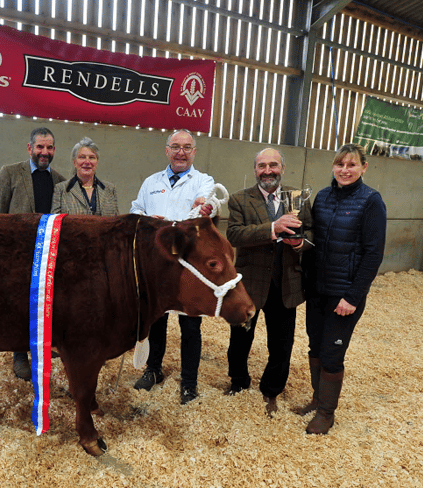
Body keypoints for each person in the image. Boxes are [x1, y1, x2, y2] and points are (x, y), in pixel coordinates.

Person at [295, 143, 386, 434]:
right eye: (340, 165)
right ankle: (316, 398)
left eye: (351, 165)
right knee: (314, 346)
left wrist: (353, 296)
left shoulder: (371, 201)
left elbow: (373, 253)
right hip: (318, 290)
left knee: (333, 354)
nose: (345, 171)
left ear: (364, 167)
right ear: (333, 166)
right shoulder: (322, 197)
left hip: (344, 293)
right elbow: (313, 241)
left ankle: (326, 413)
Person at [225, 148, 313, 416]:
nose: (268, 170)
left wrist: (299, 243)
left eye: (273, 165)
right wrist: (273, 228)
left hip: (286, 284)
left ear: (282, 168)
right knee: (240, 339)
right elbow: (234, 235)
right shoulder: (240, 199)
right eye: (262, 166)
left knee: (281, 343)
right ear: (255, 170)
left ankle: (271, 390)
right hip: (250, 283)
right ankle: (238, 382)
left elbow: (311, 233)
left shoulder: (297, 198)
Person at [130, 129, 214, 405]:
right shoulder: (150, 182)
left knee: (190, 324)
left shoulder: (204, 181)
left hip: (188, 264)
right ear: (166, 151)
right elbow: (134, 211)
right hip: (156, 262)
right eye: (175, 147)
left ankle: (189, 383)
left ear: (194, 152)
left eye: (187, 147)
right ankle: (153, 370)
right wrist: (146, 220)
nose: (181, 152)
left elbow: (209, 205)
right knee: (156, 320)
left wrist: (205, 207)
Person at [0, 127, 66, 381]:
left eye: (49, 148)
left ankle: (43, 347)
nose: (44, 152)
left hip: (48, 254)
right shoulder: (10, 173)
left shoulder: (60, 181)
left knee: (46, 302)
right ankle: (19, 353)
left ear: (54, 150)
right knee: (19, 304)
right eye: (40, 147)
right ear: (30, 148)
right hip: (17, 253)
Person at [51, 137, 119, 216]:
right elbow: (55, 223)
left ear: (97, 162)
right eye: (82, 157)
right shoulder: (61, 190)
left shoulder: (110, 189)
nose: (87, 162)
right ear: (74, 162)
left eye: (92, 157)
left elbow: (116, 223)